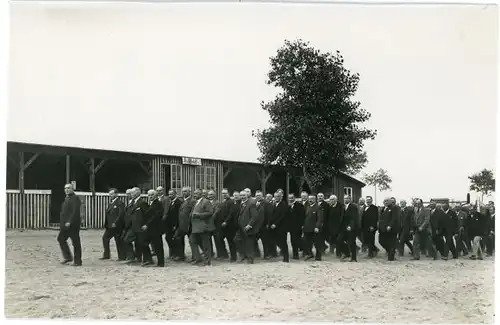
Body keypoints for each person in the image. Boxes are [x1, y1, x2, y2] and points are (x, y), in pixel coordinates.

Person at [57, 183, 82, 266]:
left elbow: (75, 212)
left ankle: (78, 261)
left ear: (72, 189)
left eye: (68, 188)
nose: (66, 190)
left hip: (73, 225)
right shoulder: (67, 198)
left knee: (75, 242)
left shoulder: (75, 198)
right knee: (61, 238)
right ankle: (68, 257)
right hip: (65, 225)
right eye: (65, 188)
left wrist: (70, 221)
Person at [234, 190, 262, 264]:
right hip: (241, 227)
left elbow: (255, 216)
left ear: (247, 195)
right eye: (241, 195)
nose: (242, 197)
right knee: (236, 240)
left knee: (249, 243)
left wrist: (249, 225)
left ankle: (250, 259)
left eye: (244, 195)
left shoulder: (251, 203)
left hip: (248, 227)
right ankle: (242, 255)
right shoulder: (241, 203)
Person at [189, 189, 215, 266]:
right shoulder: (196, 202)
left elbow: (210, 212)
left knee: (205, 244)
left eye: (197, 193)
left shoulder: (205, 202)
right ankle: (198, 259)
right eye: (194, 193)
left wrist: (199, 215)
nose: (195, 195)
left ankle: (207, 261)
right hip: (195, 227)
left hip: (203, 226)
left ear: (201, 194)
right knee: (192, 241)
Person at [100, 188, 125, 261]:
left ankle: (121, 256)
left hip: (116, 226)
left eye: (112, 194)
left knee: (118, 241)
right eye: (110, 194)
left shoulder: (120, 203)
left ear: (116, 194)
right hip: (110, 226)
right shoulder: (111, 203)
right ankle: (106, 255)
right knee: (105, 238)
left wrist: (116, 222)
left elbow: (121, 214)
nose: (110, 195)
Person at [142, 189, 165, 267]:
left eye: (152, 195)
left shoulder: (158, 203)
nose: (150, 196)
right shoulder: (150, 203)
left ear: (156, 195)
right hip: (150, 228)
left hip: (156, 228)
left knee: (158, 246)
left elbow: (156, 216)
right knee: (144, 243)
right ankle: (149, 259)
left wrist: (147, 224)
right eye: (149, 195)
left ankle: (161, 263)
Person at [173, 187, 195, 261]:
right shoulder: (181, 200)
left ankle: (195, 256)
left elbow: (192, 212)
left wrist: (190, 223)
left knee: (192, 241)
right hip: (181, 225)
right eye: (183, 191)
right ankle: (181, 255)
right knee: (177, 238)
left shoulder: (192, 201)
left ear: (189, 192)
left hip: (189, 225)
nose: (184, 193)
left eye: (185, 191)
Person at [268, 191, 289, 262]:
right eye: (275, 196)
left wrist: (275, 224)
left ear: (281, 197)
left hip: (281, 227)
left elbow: (282, 216)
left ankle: (286, 258)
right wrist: (270, 223)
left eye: (278, 196)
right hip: (273, 227)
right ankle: (276, 253)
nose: (276, 198)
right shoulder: (274, 204)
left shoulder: (283, 205)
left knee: (283, 242)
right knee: (275, 241)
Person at [302, 194, 323, 261]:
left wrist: (317, 227)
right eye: (309, 199)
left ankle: (318, 256)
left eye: (312, 199)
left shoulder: (318, 207)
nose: (310, 200)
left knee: (316, 243)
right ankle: (310, 254)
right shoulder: (306, 207)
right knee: (307, 242)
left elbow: (320, 219)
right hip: (307, 228)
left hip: (314, 229)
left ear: (315, 199)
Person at [338, 195, 359, 262]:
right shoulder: (343, 206)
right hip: (343, 228)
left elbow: (354, 218)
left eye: (347, 198)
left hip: (351, 227)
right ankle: (346, 253)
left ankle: (354, 258)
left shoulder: (353, 207)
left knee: (351, 242)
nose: (345, 199)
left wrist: (350, 226)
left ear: (350, 199)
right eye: (344, 198)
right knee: (339, 240)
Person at [288, 193, 305, 259]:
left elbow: (302, 216)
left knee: (297, 240)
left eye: (292, 198)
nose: (290, 199)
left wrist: (301, 225)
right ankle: (295, 254)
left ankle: (300, 252)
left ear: (294, 198)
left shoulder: (299, 205)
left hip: (298, 226)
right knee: (292, 241)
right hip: (291, 227)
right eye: (289, 198)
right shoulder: (289, 206)